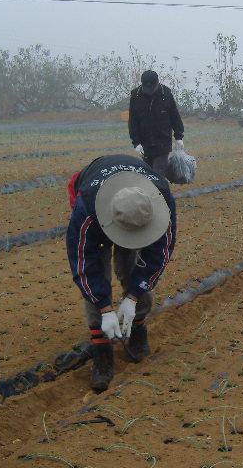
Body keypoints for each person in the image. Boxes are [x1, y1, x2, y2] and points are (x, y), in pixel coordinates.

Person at [66, 153, 176, 393]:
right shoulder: (85, 208)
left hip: (132, 208)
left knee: (132, 265)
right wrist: (105, 309)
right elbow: (84, 264)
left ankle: (137, 328)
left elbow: (159, 254)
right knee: (98, 274)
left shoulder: (162, 200)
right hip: (98, 212)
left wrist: (133, 296)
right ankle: (102, 349)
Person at [128, 69, 185, 178]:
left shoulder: (166, 94)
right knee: (147, 174)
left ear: (157, 83)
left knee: (158, 175)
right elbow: (133, 121)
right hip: (145, 144)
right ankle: (155, 193)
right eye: (146, 88)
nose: (149, 91)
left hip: (162, 142)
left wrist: (179, 136)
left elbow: (174, 116)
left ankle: (160, 193)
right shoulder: (136, 96)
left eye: (151, 88)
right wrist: (136, 143)